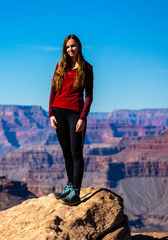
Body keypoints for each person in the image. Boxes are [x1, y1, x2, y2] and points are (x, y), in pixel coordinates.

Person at [48, 34, 93, 206]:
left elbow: (89, 95)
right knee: (66, 152)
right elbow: (53, 90)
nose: (70, 49)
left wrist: (83, 117)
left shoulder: (87, 68)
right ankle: (69, 185)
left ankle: (76, 191)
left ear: (79, 47)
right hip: (59, 112)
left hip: (76, 113)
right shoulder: (60, 65)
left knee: (76, 153)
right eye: (67, 47)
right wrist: (51, 113)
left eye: (73, 46)